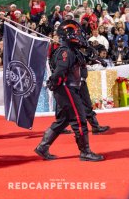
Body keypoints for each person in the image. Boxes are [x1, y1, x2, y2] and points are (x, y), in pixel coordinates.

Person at [35, 20, 104, 162]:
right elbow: (60, 70)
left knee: (63, 120)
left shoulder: (72, 50)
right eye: (77, 33)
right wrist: (54, 82)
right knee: (79, 118)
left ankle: (43, 146)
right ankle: (85, 152)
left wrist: (91, 54)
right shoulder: (65, 51)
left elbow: (82, 60)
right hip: (67, 88)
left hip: (70, 88)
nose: (79, 36)